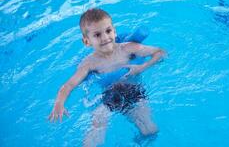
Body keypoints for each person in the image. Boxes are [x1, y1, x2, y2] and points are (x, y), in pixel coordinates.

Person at [48, 8, 166, 146]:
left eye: (108, 31)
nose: (105, 37)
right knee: (97, 125)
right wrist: (59, 103)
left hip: (135, 92)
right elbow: (69, 85)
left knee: (150, 130)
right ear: (87, 41)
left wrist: (142, 67)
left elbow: (160, 52)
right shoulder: (89, 63)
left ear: (114, 31)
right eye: (97, 35)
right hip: (110, 96)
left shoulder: (127, 48)